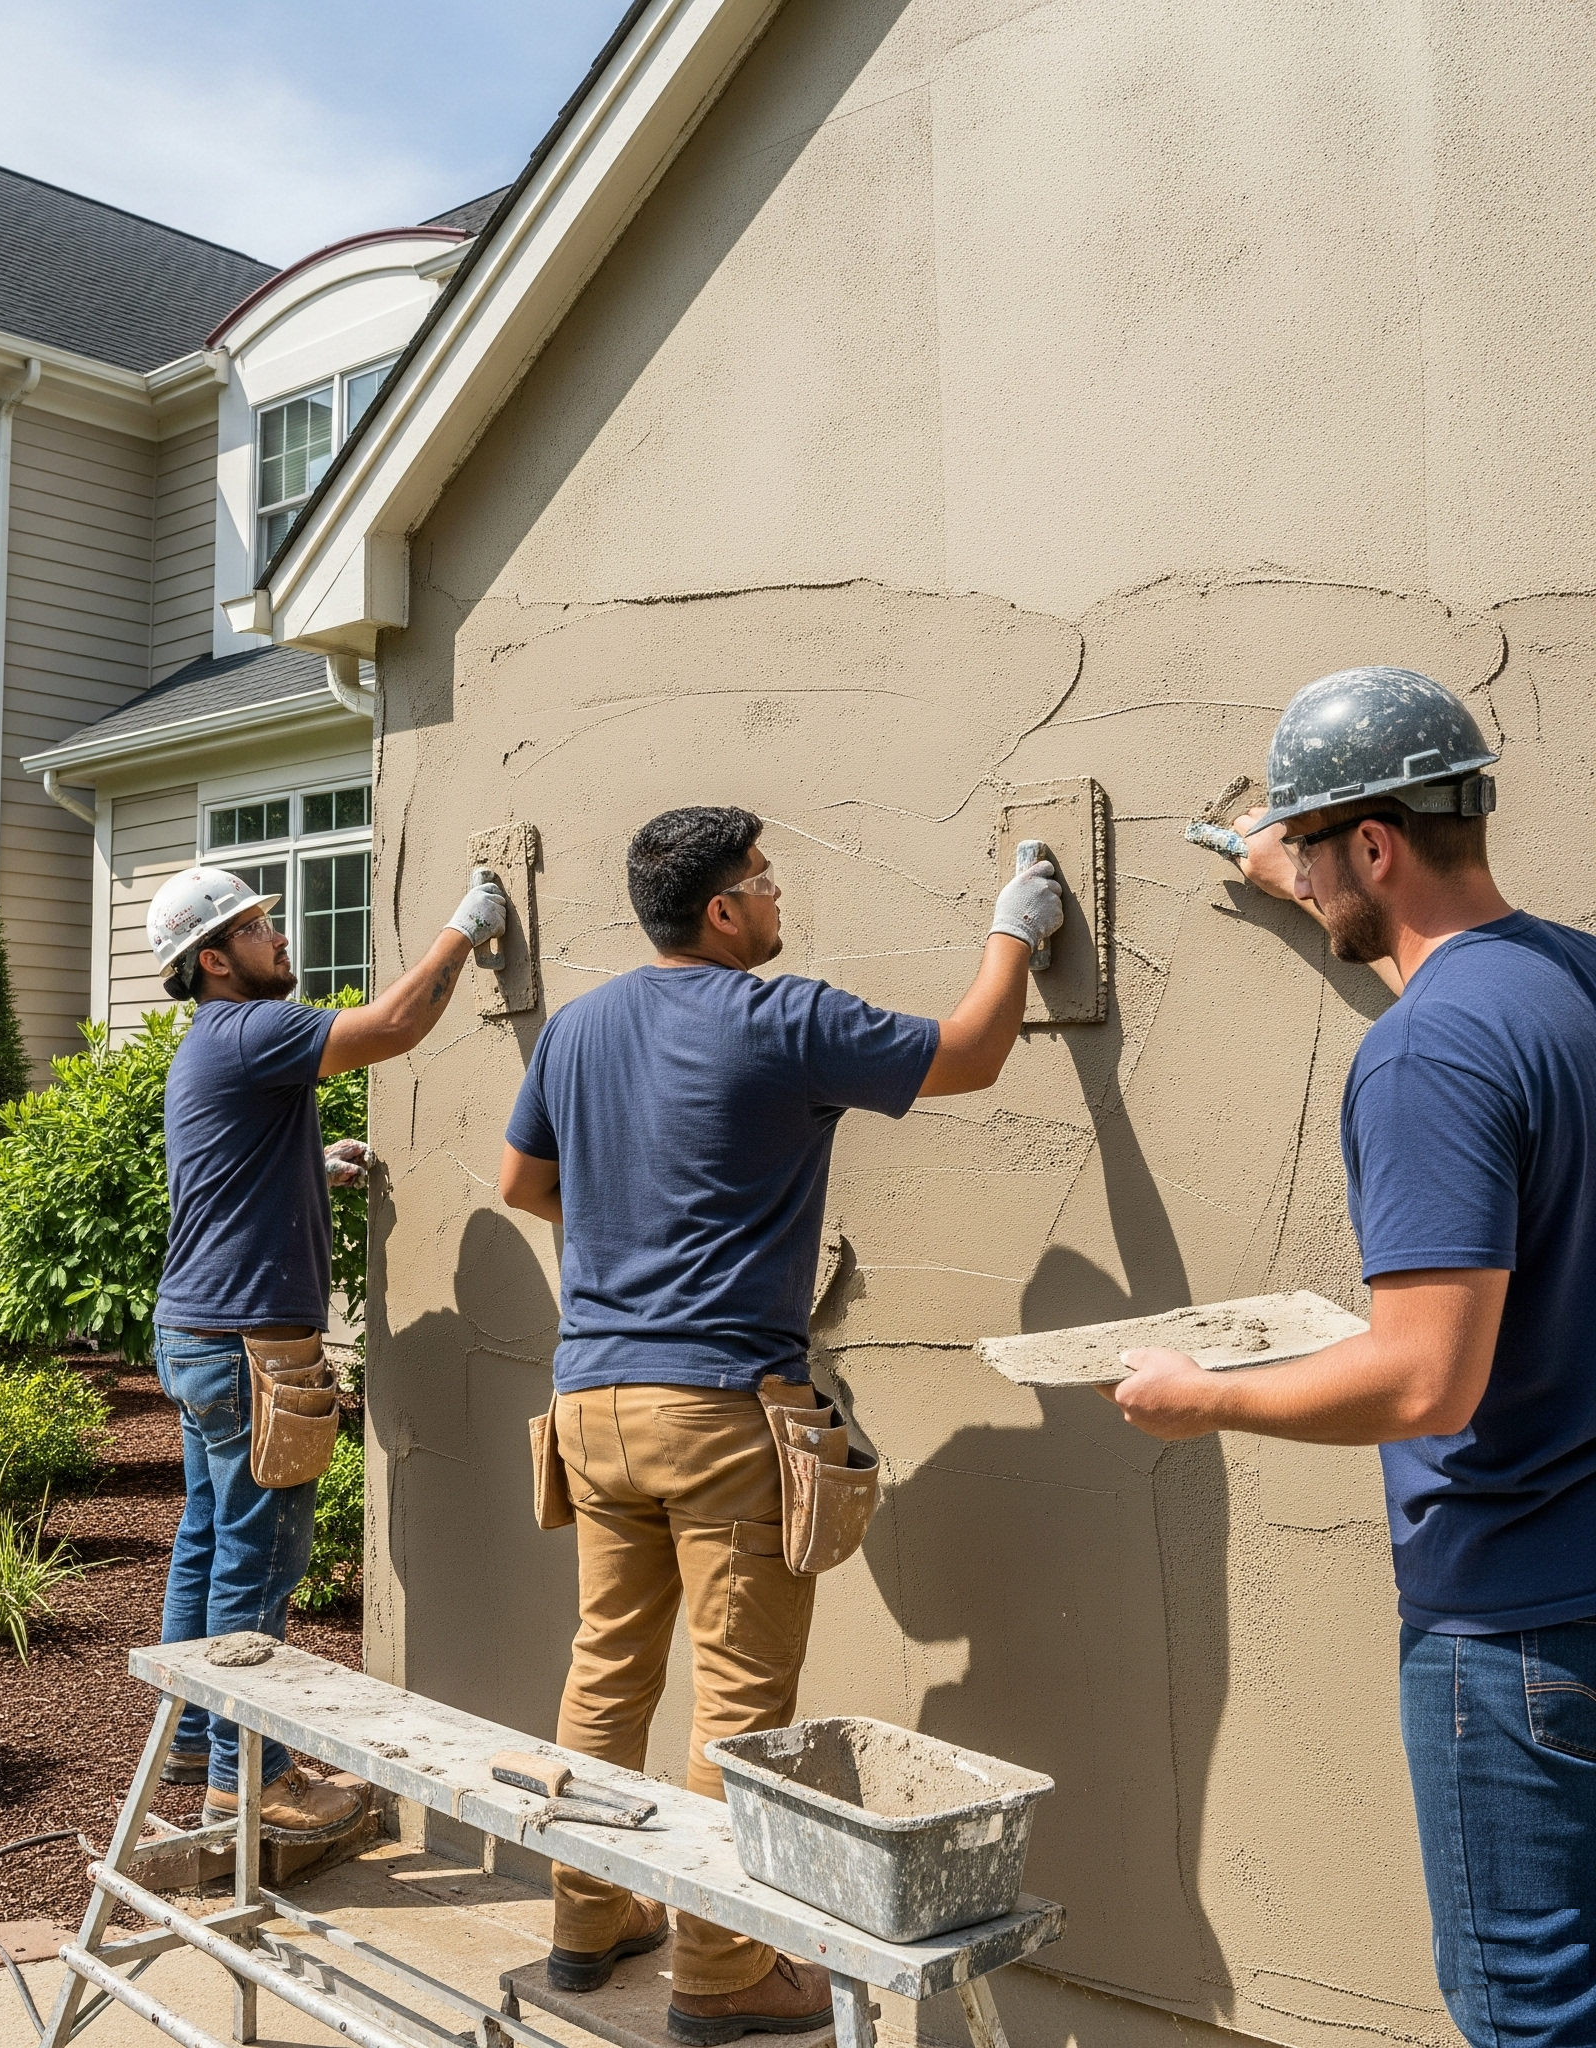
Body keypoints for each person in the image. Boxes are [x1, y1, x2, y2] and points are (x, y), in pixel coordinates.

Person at [498, 806, 1063, 2044]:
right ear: (718, 910)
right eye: (760, 882)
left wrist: (630, 1257)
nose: (774, 899)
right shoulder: (781, 1017)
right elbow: (969, 1051)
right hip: (717, 1412)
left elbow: (522, 1184)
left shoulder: (580, 1026)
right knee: (738, 1701)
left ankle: (588, 1923)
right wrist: (1015, 926)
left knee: (607, 1664)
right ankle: (719, 1970)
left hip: (589, 1400)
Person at [1113, 667, 1596, 2047]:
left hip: (1511, 1627)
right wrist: (1299, 877)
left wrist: (1200, 1396)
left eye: (1319, 852)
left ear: (1375, 848)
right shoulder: (1571, 983)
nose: (1306, 878)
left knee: (1531, 2008)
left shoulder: (1427, 1057)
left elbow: (1424, 1379)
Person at [145, 860, 507, 1842]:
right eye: (256, 926)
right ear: (214, 959)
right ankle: (246, 1779)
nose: (278, 933)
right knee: (261, 1556)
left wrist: (315, 1161)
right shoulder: (256, 1026)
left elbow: (231, 1164)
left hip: (195, 1328)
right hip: (247, 1342)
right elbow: (390, 1026)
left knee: (209, 1535)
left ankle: (189, 1734)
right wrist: (466, 927)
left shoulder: (209, 1043)